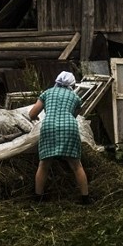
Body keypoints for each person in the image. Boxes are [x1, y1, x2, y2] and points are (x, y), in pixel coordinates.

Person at [28, 71, 91, 205]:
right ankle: (85, 198)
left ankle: (38, 197)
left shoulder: (47, 93)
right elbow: (74, 115)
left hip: (49, 126)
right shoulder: (75, 97)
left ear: (57, 81)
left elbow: (32, 114)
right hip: (69, 127)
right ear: (72, 85)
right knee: (76, 165)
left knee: (44, 164)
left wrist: (42, 115)